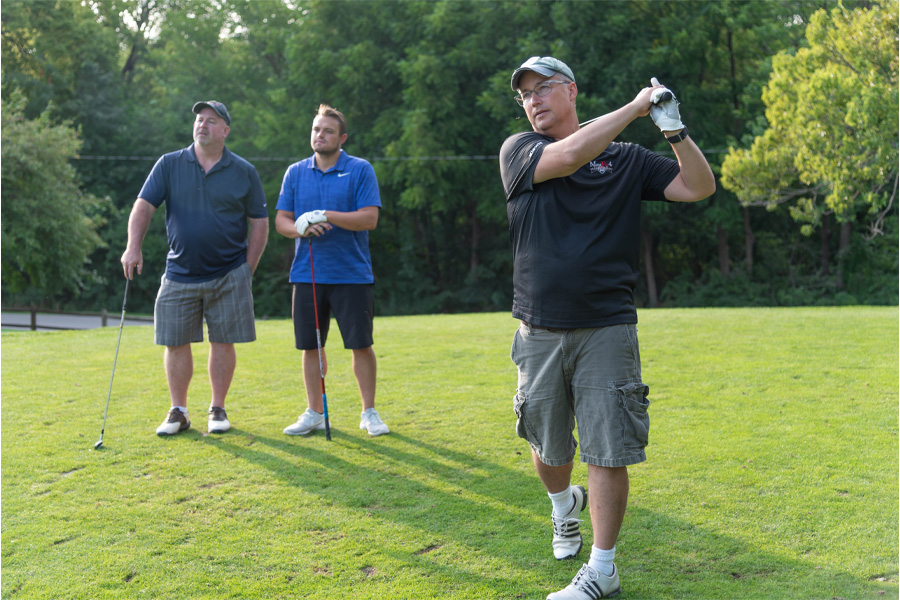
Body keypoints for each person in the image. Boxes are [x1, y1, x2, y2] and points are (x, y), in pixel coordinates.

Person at [500, 57, 715, 599]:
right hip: (540, 329)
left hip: (607, 327)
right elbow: (571, 154)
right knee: (548, 449)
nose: (534, 100)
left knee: (606, 449)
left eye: (544, 88)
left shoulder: (627, 160)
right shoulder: (520, 152)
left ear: (571, 90)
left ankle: (603, 568)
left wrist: (674, 132)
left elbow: (698, 187)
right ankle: (562, 506)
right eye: (526, 95)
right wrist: (639, 105)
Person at [121, 100, 269, 437]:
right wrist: (133, 247)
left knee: (223, 341)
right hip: (179, 272)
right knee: (174, 342)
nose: (203, 125)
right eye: (199, 120)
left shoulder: (244, 170)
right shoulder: (170, 164)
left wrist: (247, 268)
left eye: (212, 121)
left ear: (225, 131)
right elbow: (143, 206)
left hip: (230, 271)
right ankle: (179, 410)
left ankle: (217, 408)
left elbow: (260, 223)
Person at [275, 104, 388, 437]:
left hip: (351, 274)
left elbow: (369, 218)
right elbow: (282, 221)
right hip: (307, 274)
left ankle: (369, 412)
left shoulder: (360, 169)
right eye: (315, 129)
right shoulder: (295, 172)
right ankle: (314, 411)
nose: (319, 135)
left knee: (360, 345)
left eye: (326, 130)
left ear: (342, 137)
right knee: (311, 347)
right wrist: (301, 228)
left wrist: (324, 214)